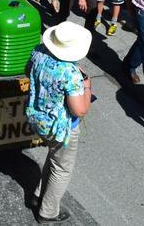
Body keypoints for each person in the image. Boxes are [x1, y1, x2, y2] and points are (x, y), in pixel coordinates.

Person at [26, 21, 93, 224]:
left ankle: (39, 195)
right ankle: (47, 212)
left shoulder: (38, 53)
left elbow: (27, 70)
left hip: (37, 118)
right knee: (62, 168)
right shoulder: (70, 74)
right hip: (60, 128)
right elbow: (79, 109)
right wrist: (87, 87)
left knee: (54, 158)